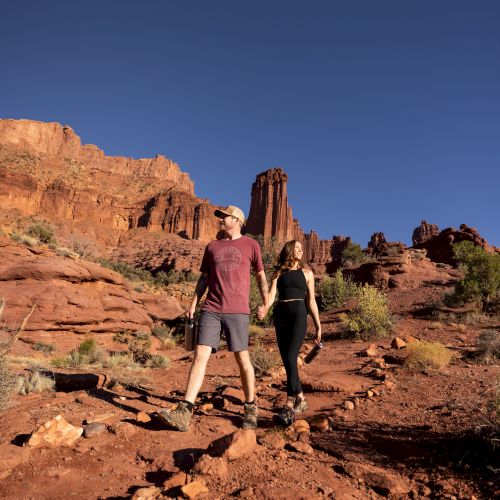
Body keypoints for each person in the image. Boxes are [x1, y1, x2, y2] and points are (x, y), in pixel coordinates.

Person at [159, 205, 269, 432]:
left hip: (238, 310)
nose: (220, 219)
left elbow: (260, 275)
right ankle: (185, 410)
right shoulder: (212, 246)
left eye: (224, 216)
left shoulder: (251, 245)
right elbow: (204, 278)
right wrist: (192, 304)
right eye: (220, 216)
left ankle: (250, 407)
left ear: (237, 219)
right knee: (200, 356)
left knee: (242, 360)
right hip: (211, 308)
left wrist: (266, 304)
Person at [260, 240, 321, 421]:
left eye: (302, 248)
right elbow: (271, 297)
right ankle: (300, 397)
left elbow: (311, 301)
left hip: (298, 317)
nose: (300, 251)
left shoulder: (307, 274)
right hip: (280, 317)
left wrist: (318, 325)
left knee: (291, 357)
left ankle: (289, 404)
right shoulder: (278, 272)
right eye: (297, 248)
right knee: (287, 360)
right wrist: (264, 308)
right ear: (289, 251)